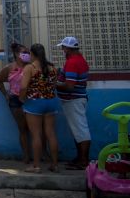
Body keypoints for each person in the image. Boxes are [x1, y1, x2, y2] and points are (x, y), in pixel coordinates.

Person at [19, 43, 60, 173]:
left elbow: (24, 87)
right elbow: (54, 84)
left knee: (36, 135)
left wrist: (22, 98)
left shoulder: (30, 68)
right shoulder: (52, 68)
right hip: (51, 101)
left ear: (32, 54)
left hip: (35, 102)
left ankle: (36, 165)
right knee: (51, 134)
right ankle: (55, 164)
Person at [55, 36, 91, 169]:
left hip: (73, 99)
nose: (63, 51)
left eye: (63, 48)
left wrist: (54, 84)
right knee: (77, 130)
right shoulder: (80, 60)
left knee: (81, 130)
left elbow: (69, 86)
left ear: (68, 48)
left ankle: (83, 160)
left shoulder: (72, 62)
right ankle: (80, 157)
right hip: (77, 98)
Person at [0, 42, 31, 163]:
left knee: (35, 129)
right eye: (24, 52)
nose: (27, 54)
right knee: (23, 129)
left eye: (28, 52)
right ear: (16, 54)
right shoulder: (9, 68)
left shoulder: (31, 66)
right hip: (15, 100)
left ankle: (42, 154)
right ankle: (26, 155)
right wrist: (5, 94)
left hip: (30, 99)